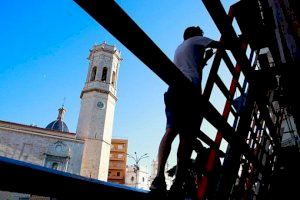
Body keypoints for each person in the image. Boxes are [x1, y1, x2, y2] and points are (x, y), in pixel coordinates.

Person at [149, 26, 224, 195]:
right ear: (196, 35)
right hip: (189, 91)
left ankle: (159, 178)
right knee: (186, 137)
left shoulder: (180, 48)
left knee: (170, 131)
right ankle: (178, 183)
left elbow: (191, 67)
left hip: (174, 90)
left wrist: (204, 60)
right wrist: (235, 42)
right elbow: (221, 44)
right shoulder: (196, 39)